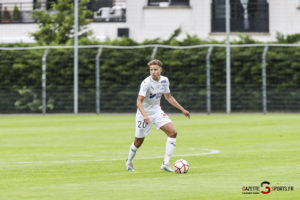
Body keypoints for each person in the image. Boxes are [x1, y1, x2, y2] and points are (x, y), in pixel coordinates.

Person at [126, 59, 190, 172]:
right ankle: (129, 160)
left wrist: (182, 109)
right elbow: (138, 101)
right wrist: (145, 115)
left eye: (155, 69)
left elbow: (168, 97)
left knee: (173, 132)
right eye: (151, 70)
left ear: (160, 70)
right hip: (143, 115)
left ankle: (166, 163)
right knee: (138, 142)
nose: (153, 72)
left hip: (157, 112)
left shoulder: (165, 80)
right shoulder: (146, 83)